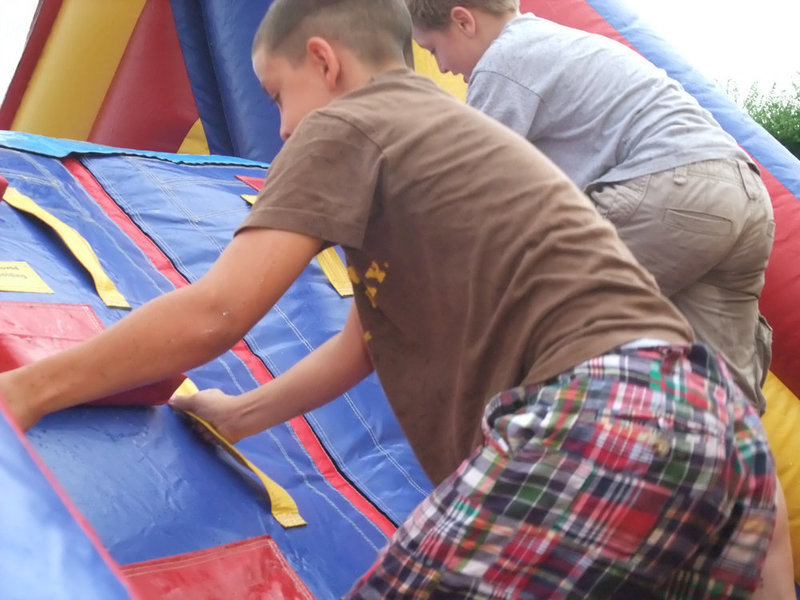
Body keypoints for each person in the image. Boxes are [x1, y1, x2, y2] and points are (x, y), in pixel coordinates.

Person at [0, 0, 776, 597]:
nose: (282, 127)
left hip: (603, 411)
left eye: (277, 95)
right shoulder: (445, 143)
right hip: (722, 431)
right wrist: (241, 414)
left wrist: (30, 390)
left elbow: (216, 313)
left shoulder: (349, 125)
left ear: (324, 60)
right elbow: (359, 347)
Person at [405, 2, 792, 597]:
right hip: (739, 198)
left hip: (671, 192)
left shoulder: (504, 62)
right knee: (730, 425)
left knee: (527, 333)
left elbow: (463, 201)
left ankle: (517, 545)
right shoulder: (561, 45)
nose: (444, 68)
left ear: (463, 20)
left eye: (434, 50)